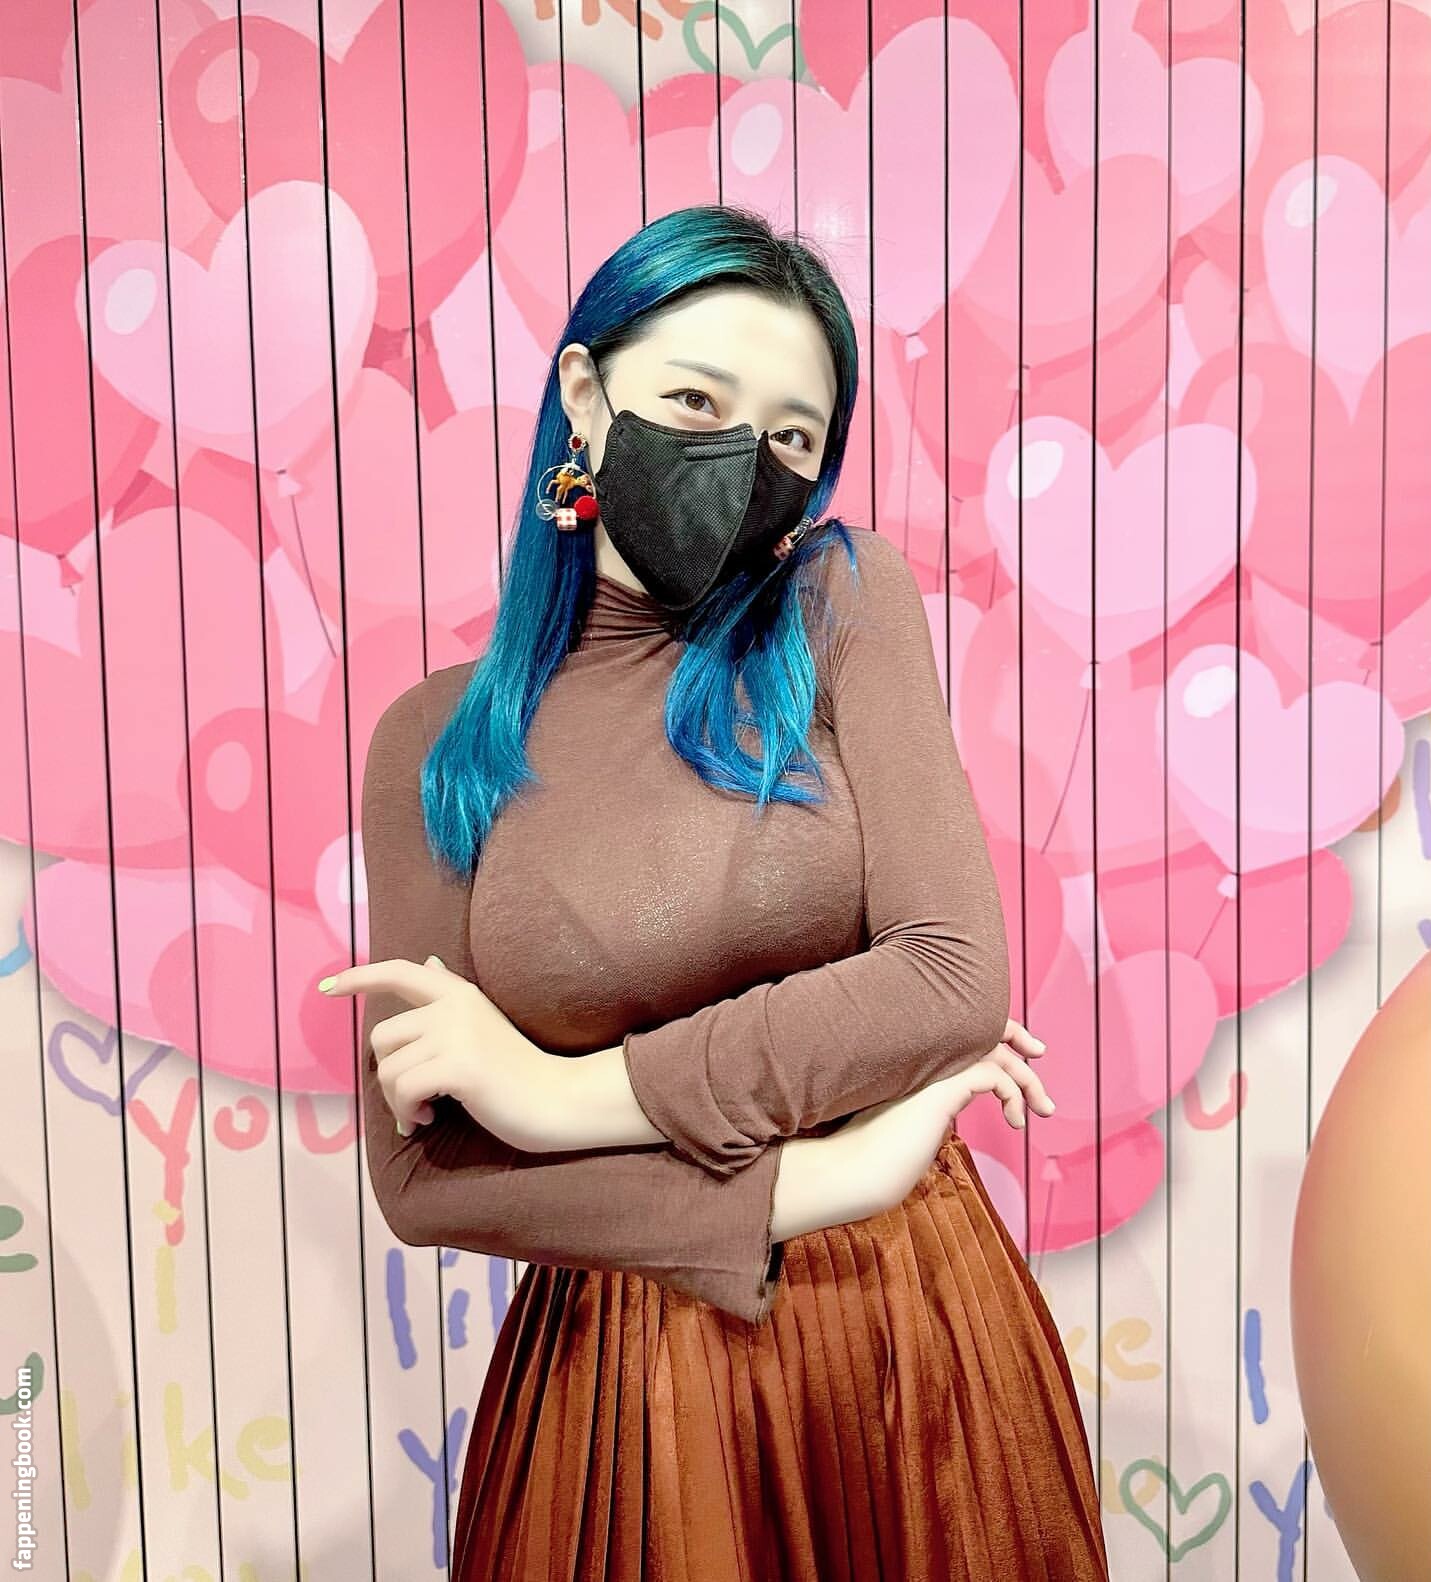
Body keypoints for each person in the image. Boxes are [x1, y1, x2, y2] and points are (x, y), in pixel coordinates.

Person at [321, 204, 1111, 1579]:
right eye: (696, 401)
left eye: (792, 437)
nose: (743, 461)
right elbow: (427, 1180)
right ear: (585, 396)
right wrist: (822, 1174)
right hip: (621, 1383)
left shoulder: (840, 603)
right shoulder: (437, 746)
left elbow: (949, 975)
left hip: (901, 1331)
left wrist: (559, 1095)